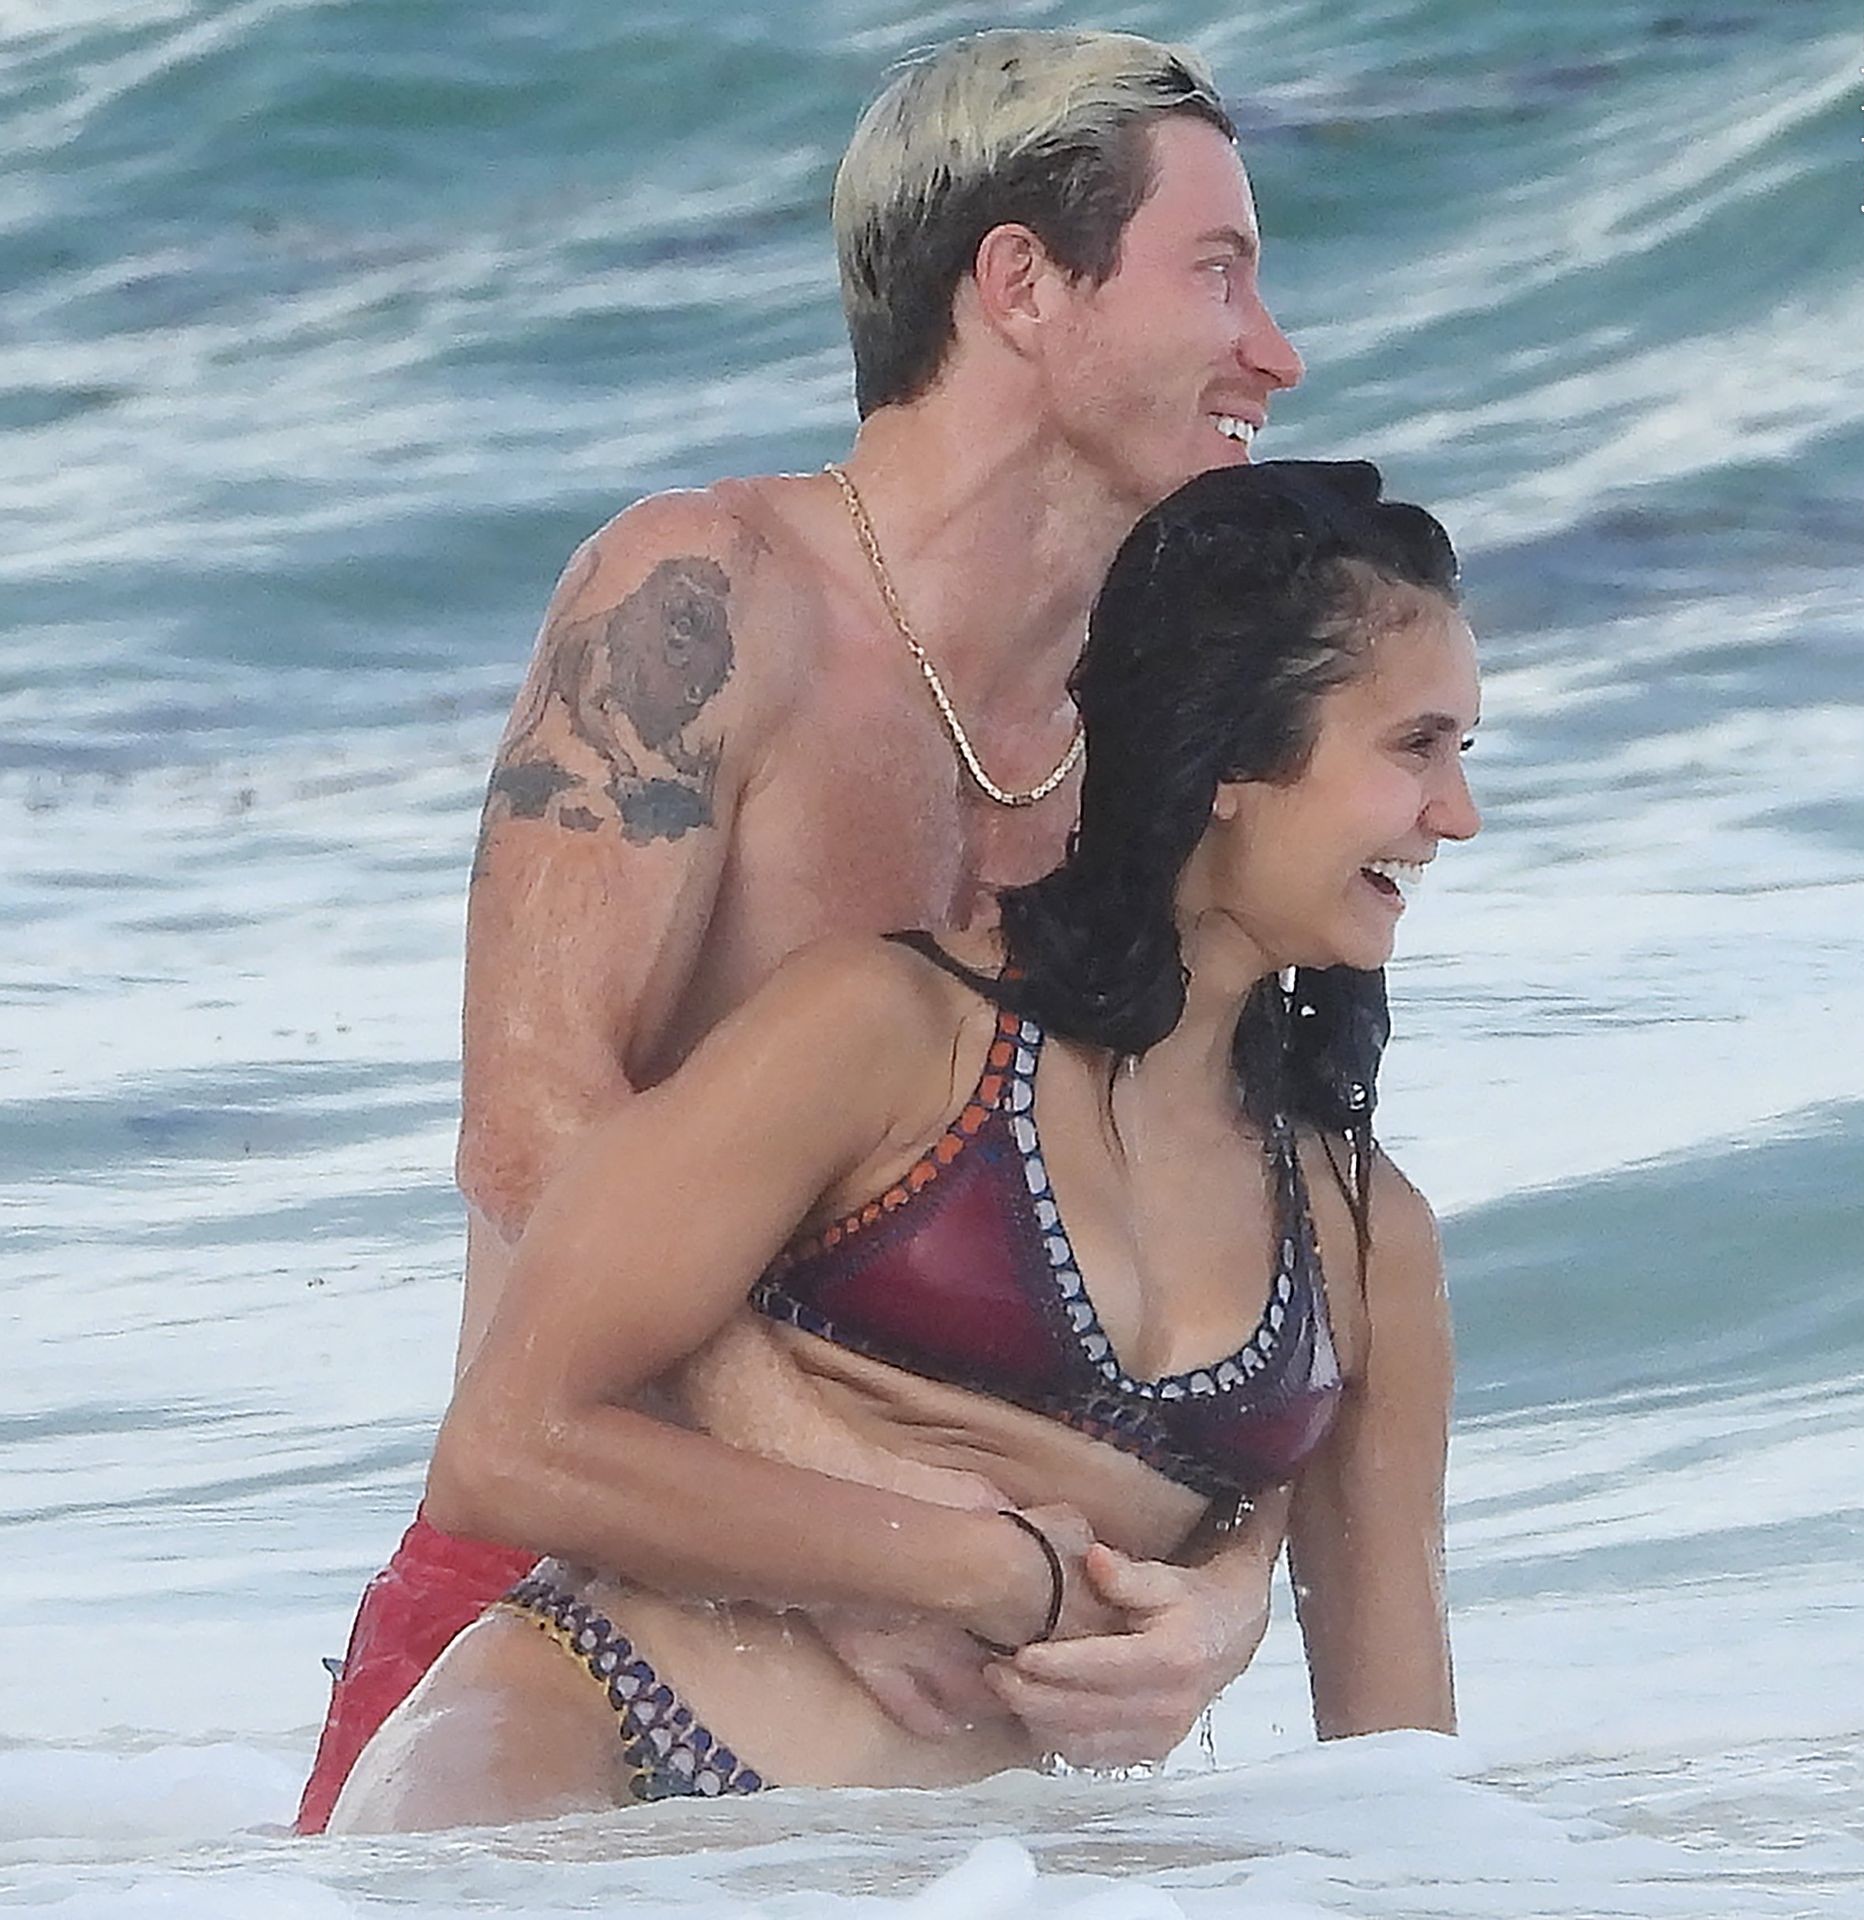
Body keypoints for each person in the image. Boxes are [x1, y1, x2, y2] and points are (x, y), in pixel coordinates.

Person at [297, 27, 1306, 1833]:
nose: (1273, 352)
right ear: (1019, 281)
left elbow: (1255, 1240)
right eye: (1216, 272)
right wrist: (857, 1521)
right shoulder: (705, 596)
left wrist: (1222, 1602)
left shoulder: (1157, 738)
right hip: (568, 1623)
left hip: (965, 1731)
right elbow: (528, 1120)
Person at [325, 457, 1480, 1833]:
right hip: (591, 1752)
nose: (1456, 814)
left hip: (944, 1878)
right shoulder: (886, 1029)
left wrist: (1225, 1603)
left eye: (1462, 754)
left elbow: (1402, 1793)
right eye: (1415, 748)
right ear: (1234, 755)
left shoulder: (1362, 1239)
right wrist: (974, 1571)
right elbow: (506, 1447)